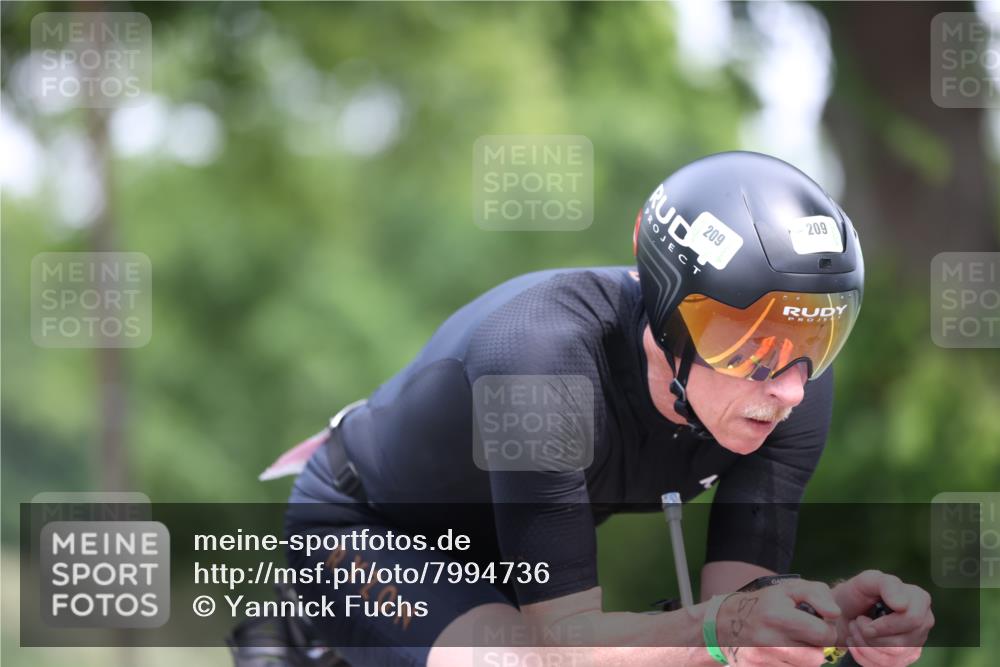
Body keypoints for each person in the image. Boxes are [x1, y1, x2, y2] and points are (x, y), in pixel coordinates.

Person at [274, 152, 933, 667]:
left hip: (510, 556)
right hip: (368, 527)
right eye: (752, 345)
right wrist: (720, 627)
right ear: (672, 317)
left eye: (815, 340)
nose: (789, 386)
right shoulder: (541, 359)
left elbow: (737, 627)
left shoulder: (797, 389)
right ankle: (309, 639)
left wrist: (832, 623)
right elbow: (564, 647)